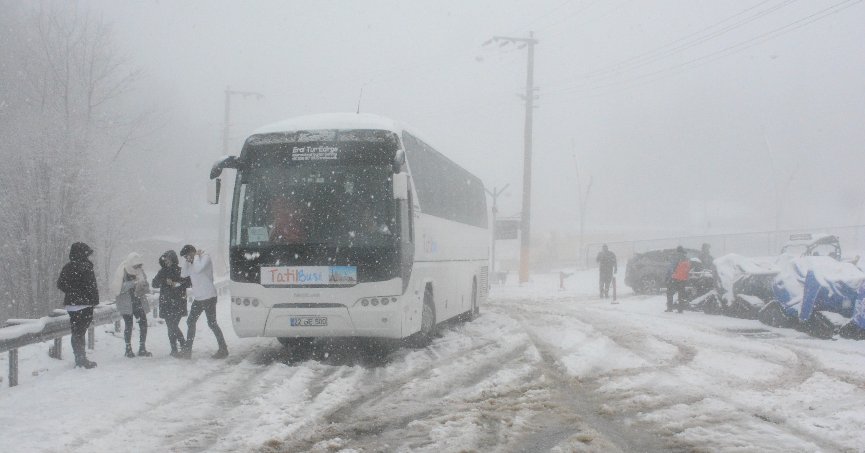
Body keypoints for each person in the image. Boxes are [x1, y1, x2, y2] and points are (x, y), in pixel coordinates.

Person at [179, 245, 228, 359]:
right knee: (190, 321)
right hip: (198, 298)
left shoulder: (205, 257)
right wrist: (187, 260)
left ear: (193, 252)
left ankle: (223, 348)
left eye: (187, 256)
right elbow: (183, 274)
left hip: (209, 297)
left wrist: (195, 256)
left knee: (212, 323)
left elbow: (198, 269)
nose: (187, 259)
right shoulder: (190, 263)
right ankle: (187, 351)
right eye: (185, 258)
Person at [56, 242, 99, 369]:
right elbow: (92, 286)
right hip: (85, 304)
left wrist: (72, 291)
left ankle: (79, 357)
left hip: (71, 304)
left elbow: (60, 284)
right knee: (80, 331)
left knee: (76, 332)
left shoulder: (68, 267)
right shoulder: (86, 267)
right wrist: (92, 300)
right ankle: (81, 359)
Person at [112, 252, 153, 358]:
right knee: (128, 325)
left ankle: (142, 348)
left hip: (138, 300)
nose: (137, 267)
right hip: (126, 301)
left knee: (143, 323)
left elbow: (145, 282)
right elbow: (118, 288)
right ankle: (128, 349)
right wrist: (133, 283)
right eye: (135, 266)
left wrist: (144, 284)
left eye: (139, 265)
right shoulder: (122, 271)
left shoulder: (140, 271)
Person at [152, 250, 191, 357]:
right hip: (166, 303)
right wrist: (164, 281)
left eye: (168, 259)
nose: (166, 262)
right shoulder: (162, 271)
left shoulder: (181, 270)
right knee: (170, 326)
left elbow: (188, 283)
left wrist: (176, 283)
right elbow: (154, 283)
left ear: (173, 259)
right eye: (165, 260)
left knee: (173, 325)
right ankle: (175, 349)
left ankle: (183, 344)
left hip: (178, 302)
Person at [666, 246, 691, 313]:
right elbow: (688, 269)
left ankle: (670, 308)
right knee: (681, 294)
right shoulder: (686, 258)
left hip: (675, 278)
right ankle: (680, 309)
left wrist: (668, 276)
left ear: (677, 250)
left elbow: (671, 267)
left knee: (670, 293)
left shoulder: (675, 257)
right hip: (683, 279)